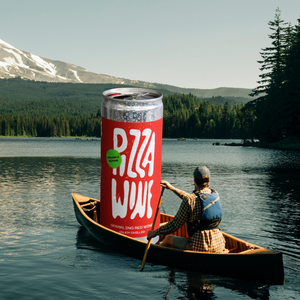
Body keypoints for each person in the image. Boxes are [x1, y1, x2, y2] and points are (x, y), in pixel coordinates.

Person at [147, 166, 228, 253]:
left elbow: (175, 224)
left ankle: (153, 254)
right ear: (208, 180)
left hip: (201, 246)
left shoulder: (191, 199)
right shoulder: (214, 194)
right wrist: (172, 188)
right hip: (219, 243)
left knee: (168, 239)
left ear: (194, 179)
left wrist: (155, 232)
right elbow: (193, 199)